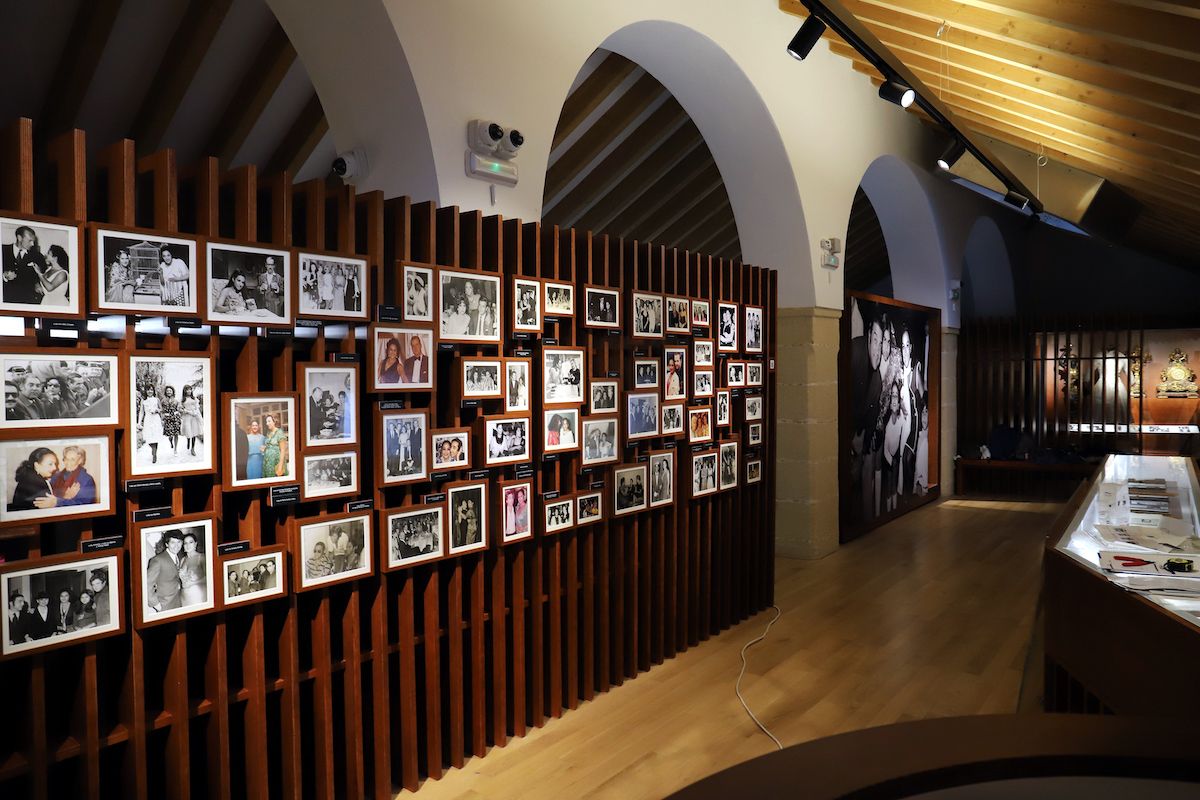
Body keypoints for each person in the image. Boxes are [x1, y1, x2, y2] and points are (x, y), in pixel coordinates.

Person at [146, 529, 185, 612]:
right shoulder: (158, 560)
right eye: (173, 542)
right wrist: (157, 605)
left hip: (178, 602)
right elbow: (147, 584)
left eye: (179, 542)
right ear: (167, 544)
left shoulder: (179, 557)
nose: (176, 546)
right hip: (165, 606)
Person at [3, 225, 43, 305]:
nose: (32, 244)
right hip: (5, 300)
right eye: (30, 241)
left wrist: (37, 283)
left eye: (33, 241)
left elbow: (42, 275)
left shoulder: (38, 256)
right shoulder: (3, 250)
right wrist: (3, 275)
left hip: (27, 301)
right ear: (19, 238)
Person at [9, 447, 57, 511]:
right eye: (50, 464)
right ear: (37, 465)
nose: (55, 468)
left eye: (55, 464)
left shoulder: (29, 476)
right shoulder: (38, 483)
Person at [179, 532, 206, 606]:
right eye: (185, 543)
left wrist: (192, 583)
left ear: (195, 544)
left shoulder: (202, 557)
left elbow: (209, 578)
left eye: (191, 542)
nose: (188, 545)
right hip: (184, 597)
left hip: (198, 596)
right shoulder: (182, 560)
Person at [138, 385, 163, 464]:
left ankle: (154, 454)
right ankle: (153, 449)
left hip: (156, 419)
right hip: (148, 419)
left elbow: (161, 409)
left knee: (155, 436)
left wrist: (156, 410)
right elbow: (141, 412)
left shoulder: (156, 399)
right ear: (146, 391)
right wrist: (139, 422)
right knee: (148, 437)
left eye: (151, 390)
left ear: (153, 391)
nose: (150, 391)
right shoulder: (143, 400)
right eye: (148, 390)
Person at [262, 413, 288, 478]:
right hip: (268, 464)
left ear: (274, 421)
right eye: (266, 422)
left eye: (269, 421)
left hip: (276, 464)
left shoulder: (279, 432)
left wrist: (280, 467)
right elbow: (270, 446)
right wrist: (265, 449)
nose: (267, 423)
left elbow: (283, 450)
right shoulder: (269, 433)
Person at [180, 384, 202, 457]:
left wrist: (195, 412)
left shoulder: (194, 398)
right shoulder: (183, 399)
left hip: (194, 416)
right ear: (184, 391)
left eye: (190, 389)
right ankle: (188, 441)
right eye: (187, 390)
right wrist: (184, 410)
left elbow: (197, 407)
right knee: (188, 431)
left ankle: (193, 448)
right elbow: (180, 408)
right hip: (187, 417)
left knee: (194, 432)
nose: (189, 391)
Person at [160, 385, 182, 456]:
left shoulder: (176, 400)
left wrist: (178, 412)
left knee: (176, 434)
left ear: (172, 392)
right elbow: (161, 410)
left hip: (175, 419)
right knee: (170, 436)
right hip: (168, 419)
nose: (169, 392)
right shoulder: (163, 401)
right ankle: (171, 442)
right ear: (166, 392)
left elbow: (179, 408)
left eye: (170, 391)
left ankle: (175, 449)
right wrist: (162, 418)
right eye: (167, 391)